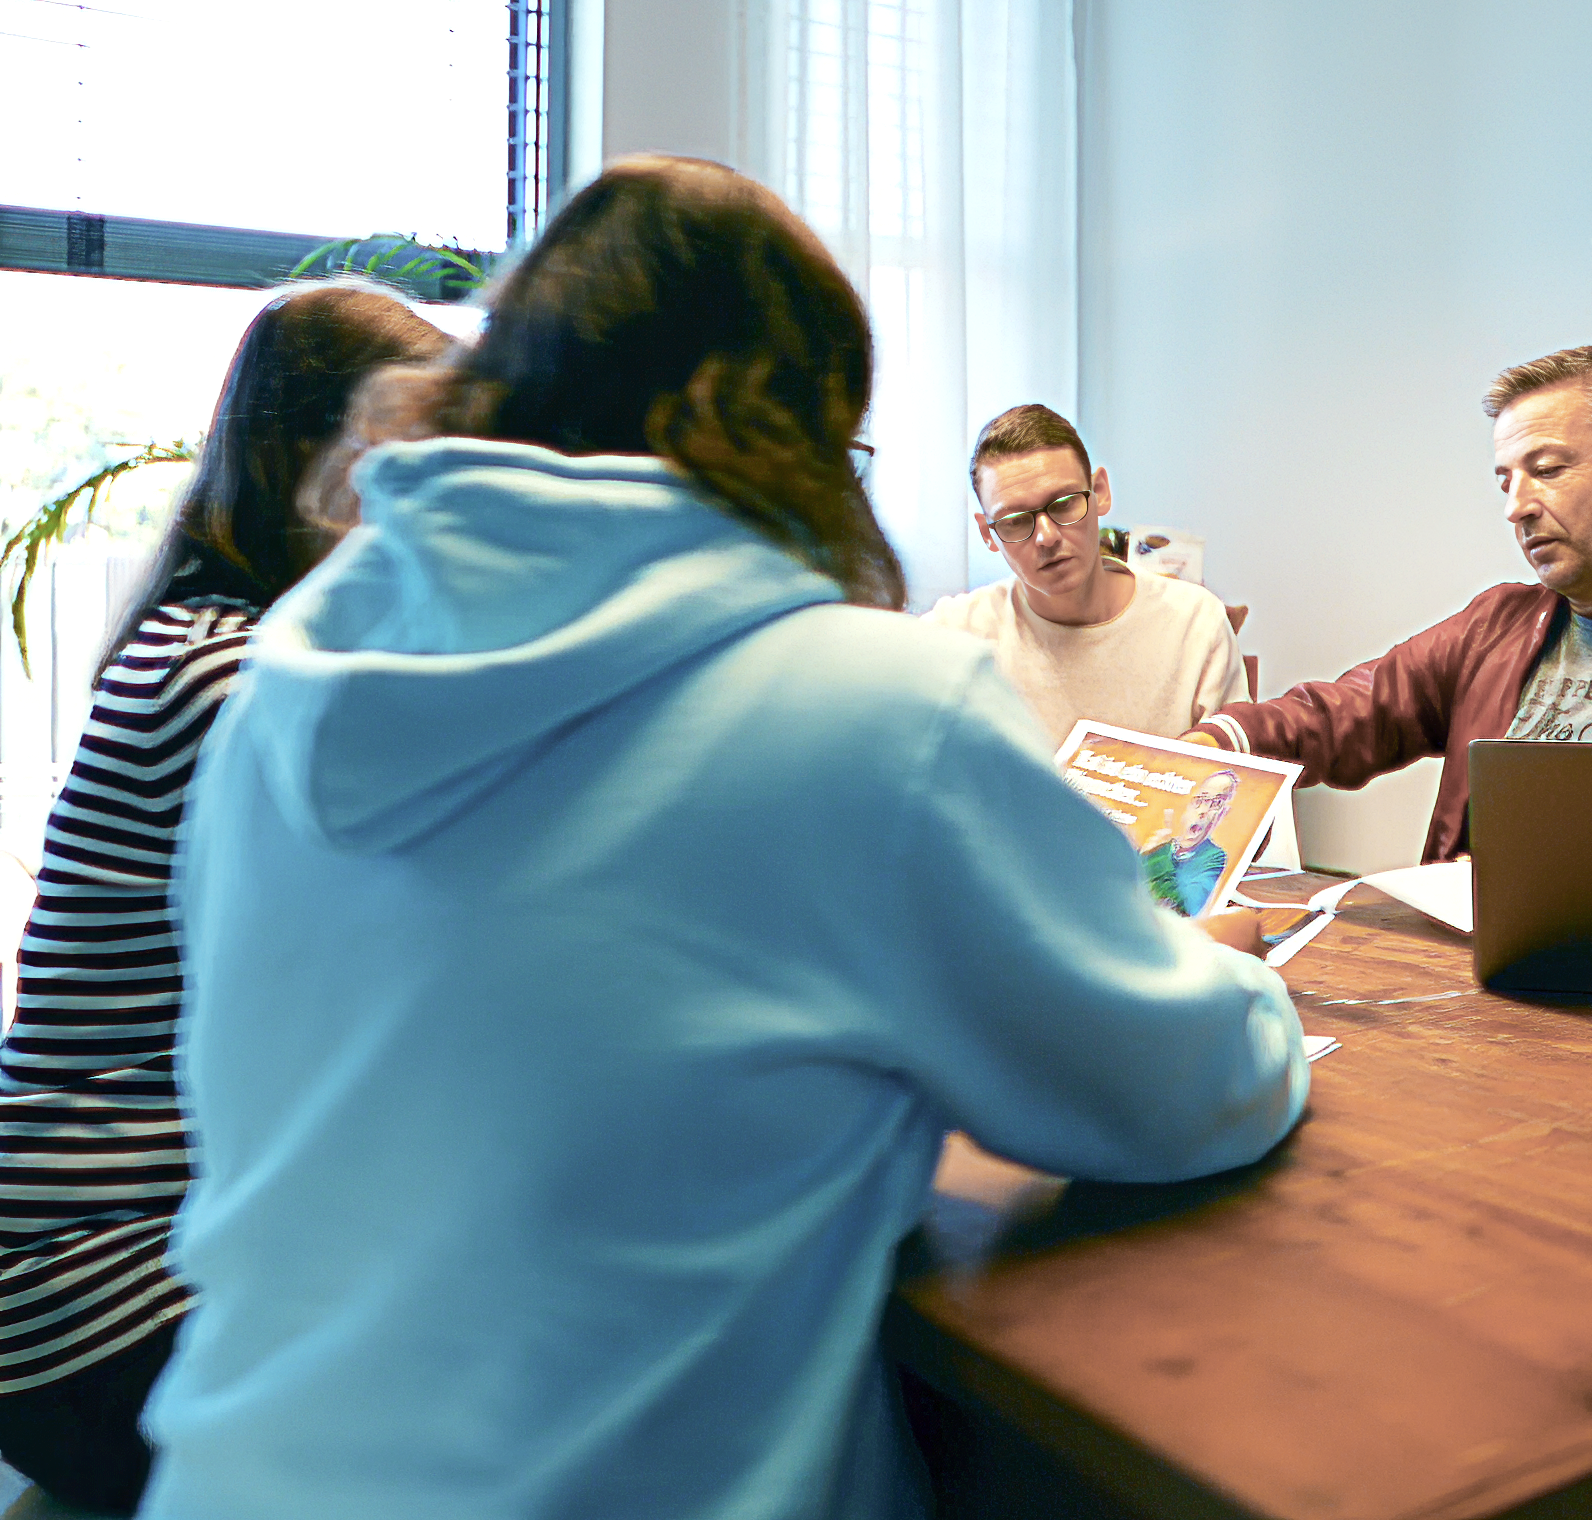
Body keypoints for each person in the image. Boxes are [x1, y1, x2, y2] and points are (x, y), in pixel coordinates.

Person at [145, 156, 1307, 1520]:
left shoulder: (285, 686)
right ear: (789, 434)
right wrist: (1237, 977)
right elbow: (1187, 1086)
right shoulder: (871, 705)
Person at [0, 282, 448, 1517]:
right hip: (91, 1294)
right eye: (409, 463)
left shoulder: (203, 636)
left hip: (95, 1270)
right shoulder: (234, 673)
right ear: (317, 460)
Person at [1185, 344, 1592, 864]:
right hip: (1471, 985)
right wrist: (1213, 742)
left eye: (1548, 470)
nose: (1516, 507)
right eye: (1506, 479)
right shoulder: (1494, 627)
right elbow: (1343, 713)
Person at [923, 404, 1248, 751]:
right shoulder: (956, 634)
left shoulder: (1196, 625)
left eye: (1063, 504)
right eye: (1016, 521)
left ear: (1101, 492)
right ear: (988, 533)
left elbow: (1240, 789)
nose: (1046, 537)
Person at [1143, 769, 1240, 915]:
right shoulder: (1159, 846)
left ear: (1223, 813)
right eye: (1200, 800)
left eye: (1216, 803)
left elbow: (1184, 910)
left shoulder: (1213, 857)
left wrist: (1157, 859)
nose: (1203, 810)